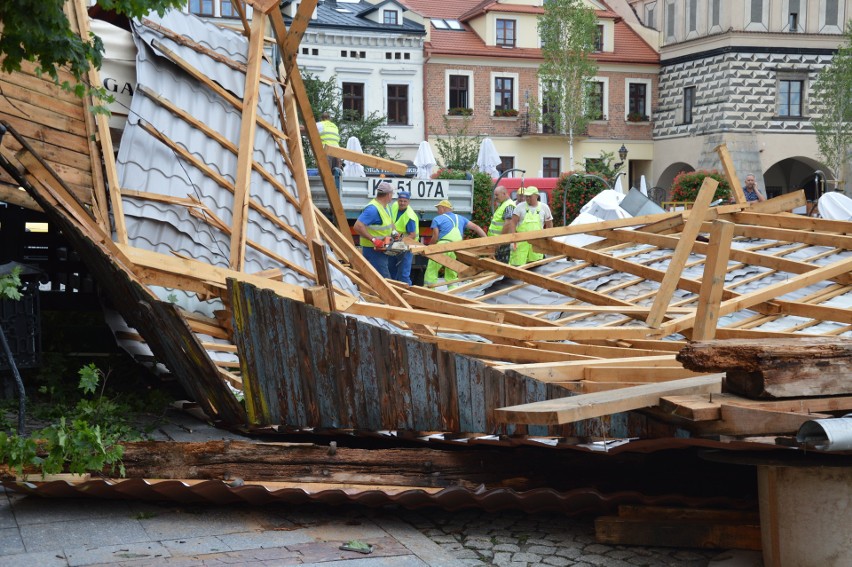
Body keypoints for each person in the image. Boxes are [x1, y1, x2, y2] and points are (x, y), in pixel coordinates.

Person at [423, 200, 486, 288]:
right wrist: (487, 241)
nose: (437, 211)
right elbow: (476, 227)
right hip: (456, 248)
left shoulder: (437, 219)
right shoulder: (461, 218)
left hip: (442, 247)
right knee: (451, 270)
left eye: (438, 208)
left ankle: (429, 290)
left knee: (432, 269)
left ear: (443, 208)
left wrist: (429, 247)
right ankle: (452, 291)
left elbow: (435, 236)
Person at [353, 182, 395, 278]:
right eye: (392, 194)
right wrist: (374, 240)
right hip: (373, 250)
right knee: (384, 281)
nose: (392, 196)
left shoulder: (386, 206)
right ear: (388, 195)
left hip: (382, 248)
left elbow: (390, 222)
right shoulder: (373, 209)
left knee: (378, 279)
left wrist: (394, 233)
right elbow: (358, 226)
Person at [506, 186, 553, 266]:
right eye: (526, 196)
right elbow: (513, 223)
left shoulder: (544, 208)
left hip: (537, 243)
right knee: (518, 267)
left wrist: (548, 240)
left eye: (530, 196)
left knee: (536, 267)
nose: (527, 198)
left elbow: (549, 224)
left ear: (536, 196)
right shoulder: (520, 207)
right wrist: (513, 239)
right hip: (521, 244)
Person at [388, 190, 419, 285]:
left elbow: (412, 235)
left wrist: (400, 243)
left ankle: (408, 293)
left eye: (405, 201)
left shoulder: (409, 216)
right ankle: (394, 291)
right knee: (391, 269)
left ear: (408, 202)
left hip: (406, 246)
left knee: (403, 274)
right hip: (395, 243)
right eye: (400, 201)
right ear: (397, 200)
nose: (402, 203)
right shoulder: (394, 206)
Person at [488, 185, 515, 263]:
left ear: (504, 193)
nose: (495, 197)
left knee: (501, 264)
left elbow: (508, 224)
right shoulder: (503, 204)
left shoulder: (509, 205)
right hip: (497, 241)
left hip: (502, 242)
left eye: (497, 195)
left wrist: (500, 241)